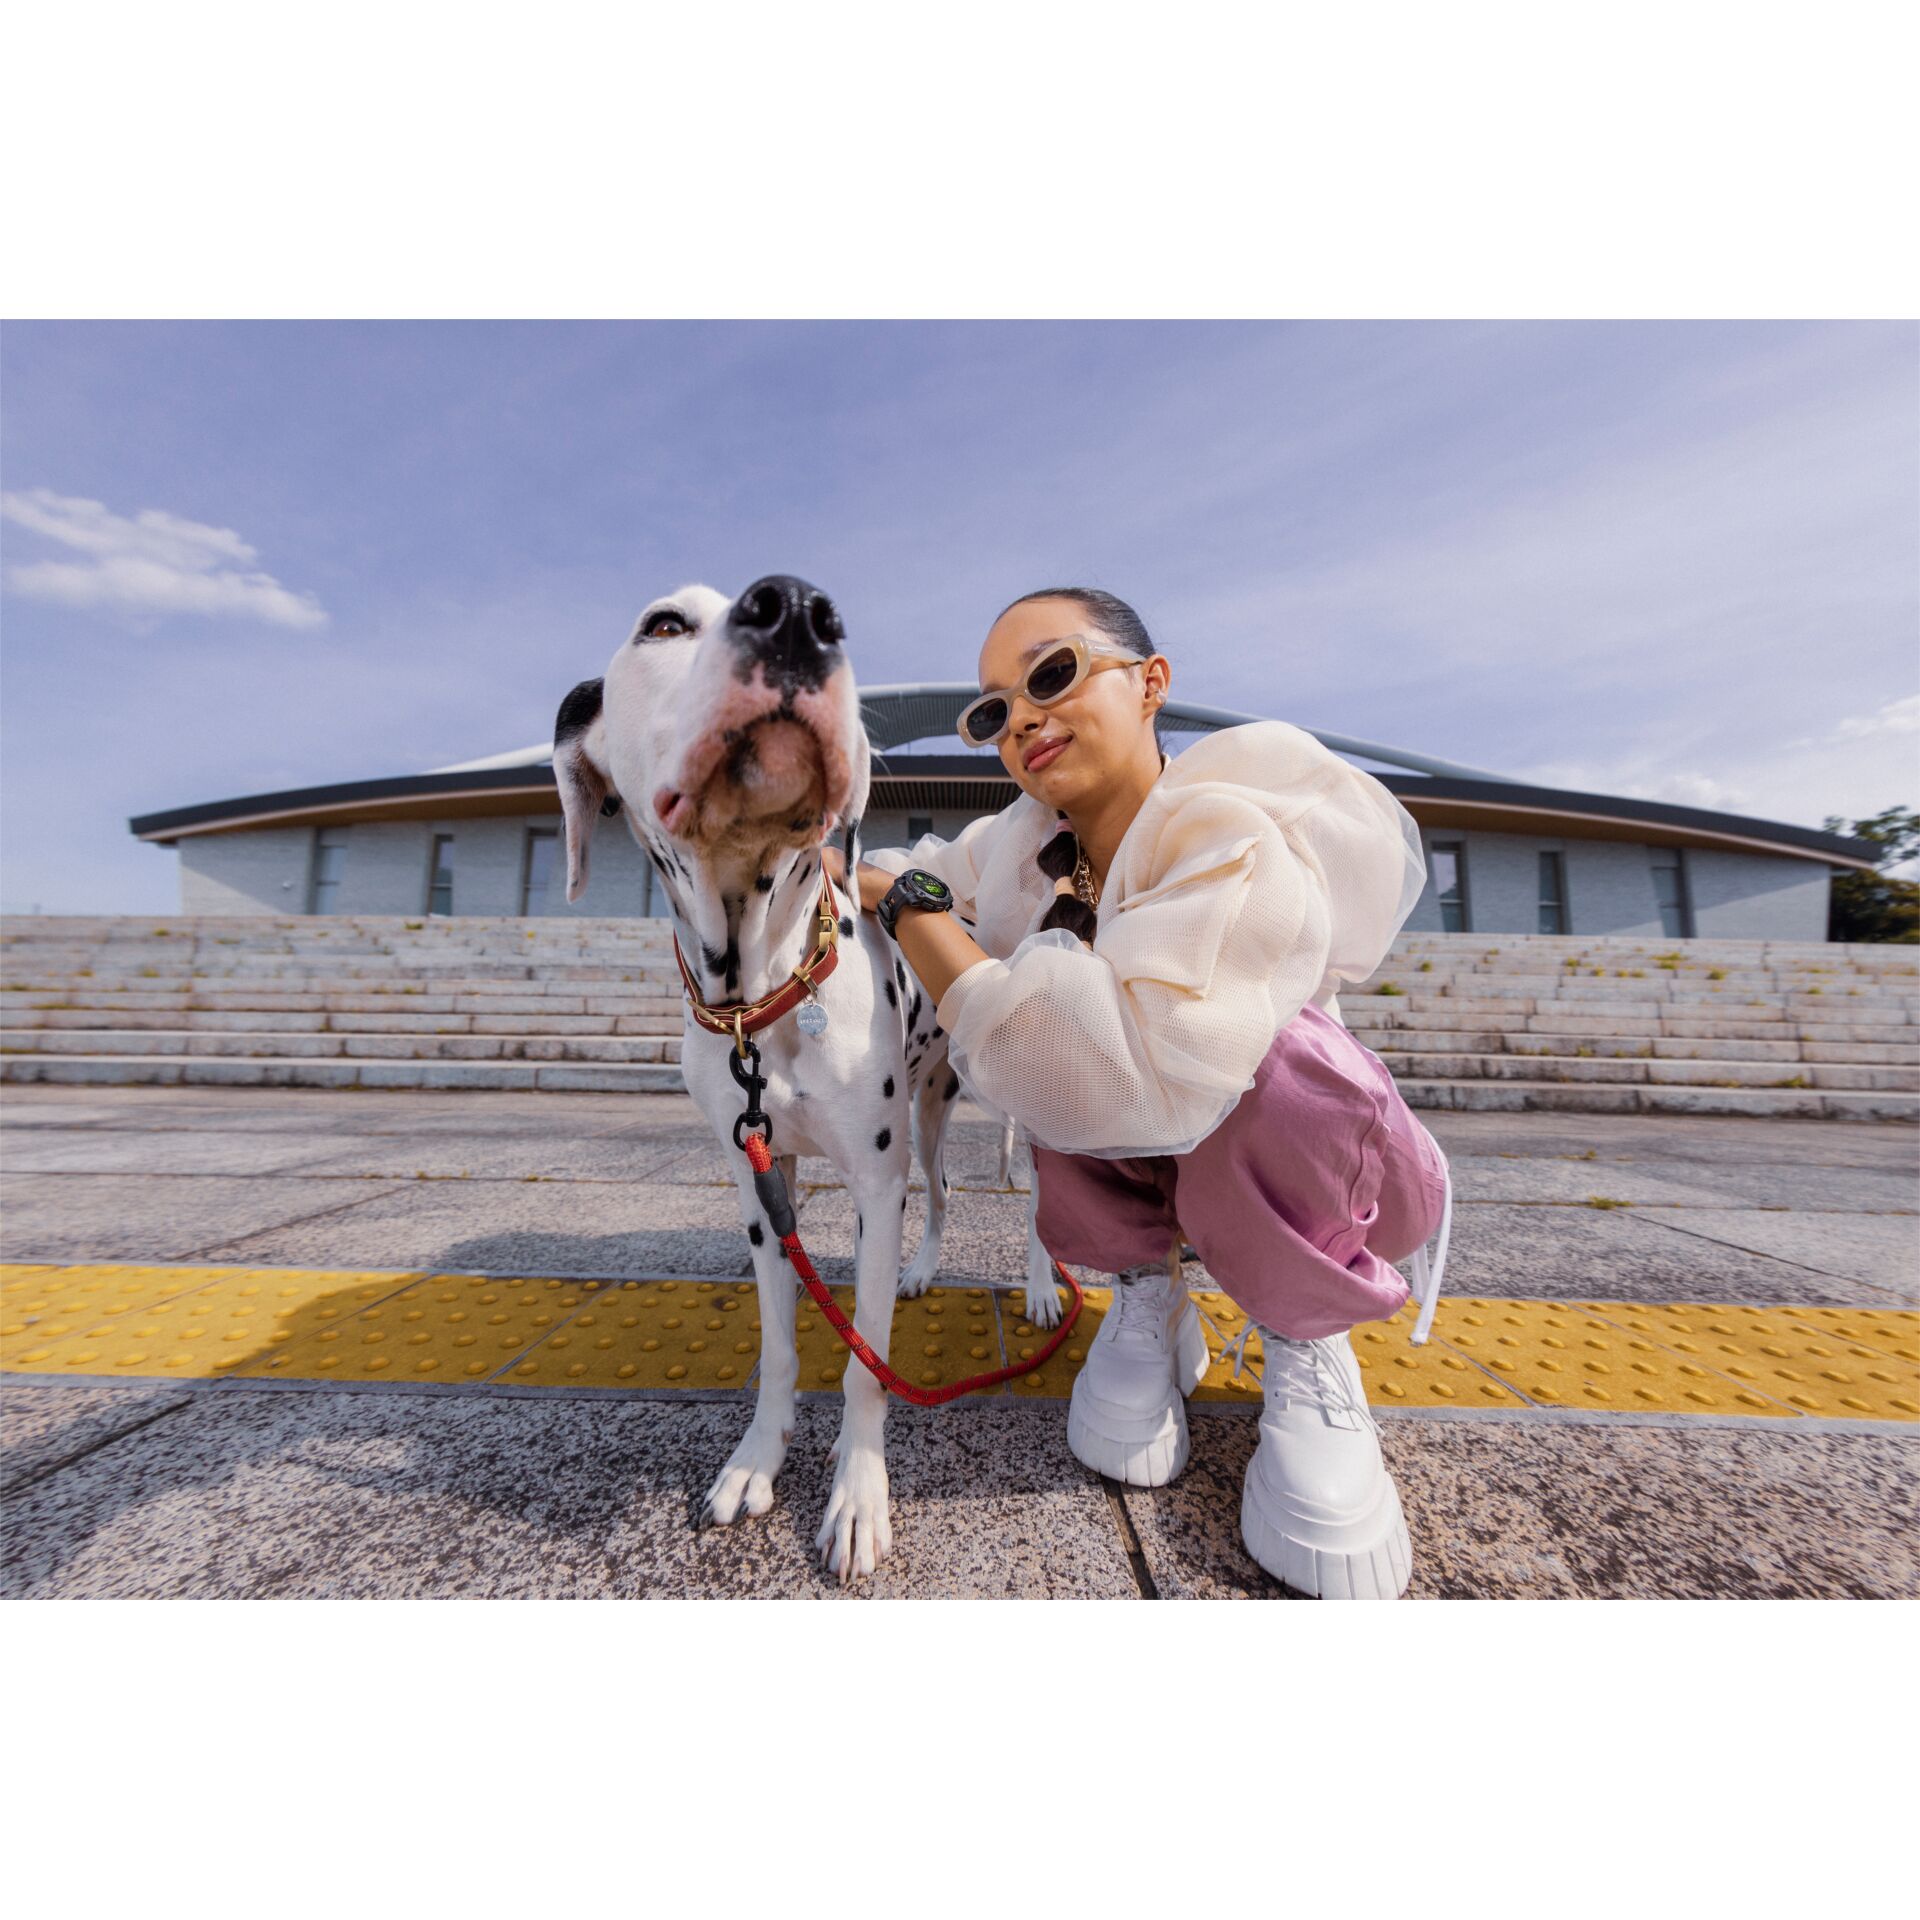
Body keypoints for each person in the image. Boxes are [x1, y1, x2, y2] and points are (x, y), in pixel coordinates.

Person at [840, 587, 1450, 1600]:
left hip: (1317, 1175)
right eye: (994, 712)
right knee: (1057, 1020)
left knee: (1223, 1050)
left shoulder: (1235, 826)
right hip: (1156, 1157)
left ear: (1151, 683)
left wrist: (911, 911)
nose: (1024, 719)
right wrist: (833, 868)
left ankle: (1307, 1333)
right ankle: (1147, 1298)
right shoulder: (1019, 846)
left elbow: (1098, 1047)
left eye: (1051, 674)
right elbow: (927, 868)